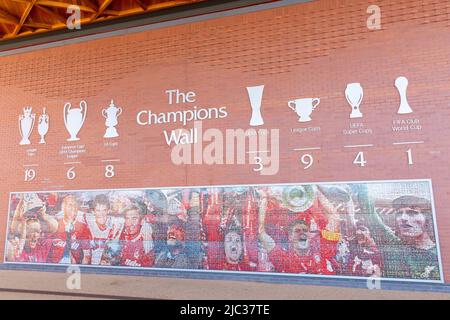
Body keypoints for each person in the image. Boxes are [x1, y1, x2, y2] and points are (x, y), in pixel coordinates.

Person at [203, 188, 257, 271]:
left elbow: (212, 214)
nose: (233, 243)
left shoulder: (218, 226)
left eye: (230, 240)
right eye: (235, 240)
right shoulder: (247, 227)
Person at [6, 197, 58, 263]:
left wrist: (43, 215)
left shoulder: (42, 245)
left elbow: (55, 227)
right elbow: (14, 228)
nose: (35, 235)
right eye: (31, 231)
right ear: (24, 232)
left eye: (37, 231)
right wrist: (20, 209)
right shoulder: (16, 248)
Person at [48, 195, 92, 265]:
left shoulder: (83, 228)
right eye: (70, 205)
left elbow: (87, 256)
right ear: (63, 208)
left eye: (75, 206)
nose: (73, 208)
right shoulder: (55, 225)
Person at [85, 194, 124, 265]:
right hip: (91, 266)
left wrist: (146, 226)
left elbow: (133, 218)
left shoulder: (116, 222)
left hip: (108, 265)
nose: (101, 214)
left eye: (104, 210)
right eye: (98, 210)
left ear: (108, 211)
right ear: (93, 212)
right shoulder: (87, 219)